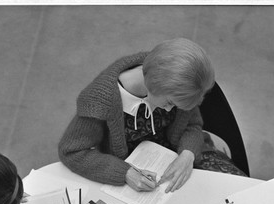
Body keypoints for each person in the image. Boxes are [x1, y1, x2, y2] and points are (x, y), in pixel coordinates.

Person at [58, 38, 245, 194]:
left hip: (180, 158)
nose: (172, 110)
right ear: (154, 85)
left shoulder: (175, 83)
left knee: (239, 194)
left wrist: (188, 154)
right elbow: (72, 151)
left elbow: (192, 125)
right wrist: (124, 173)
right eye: (170, 103)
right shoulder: (100, 102)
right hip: (135, 173)